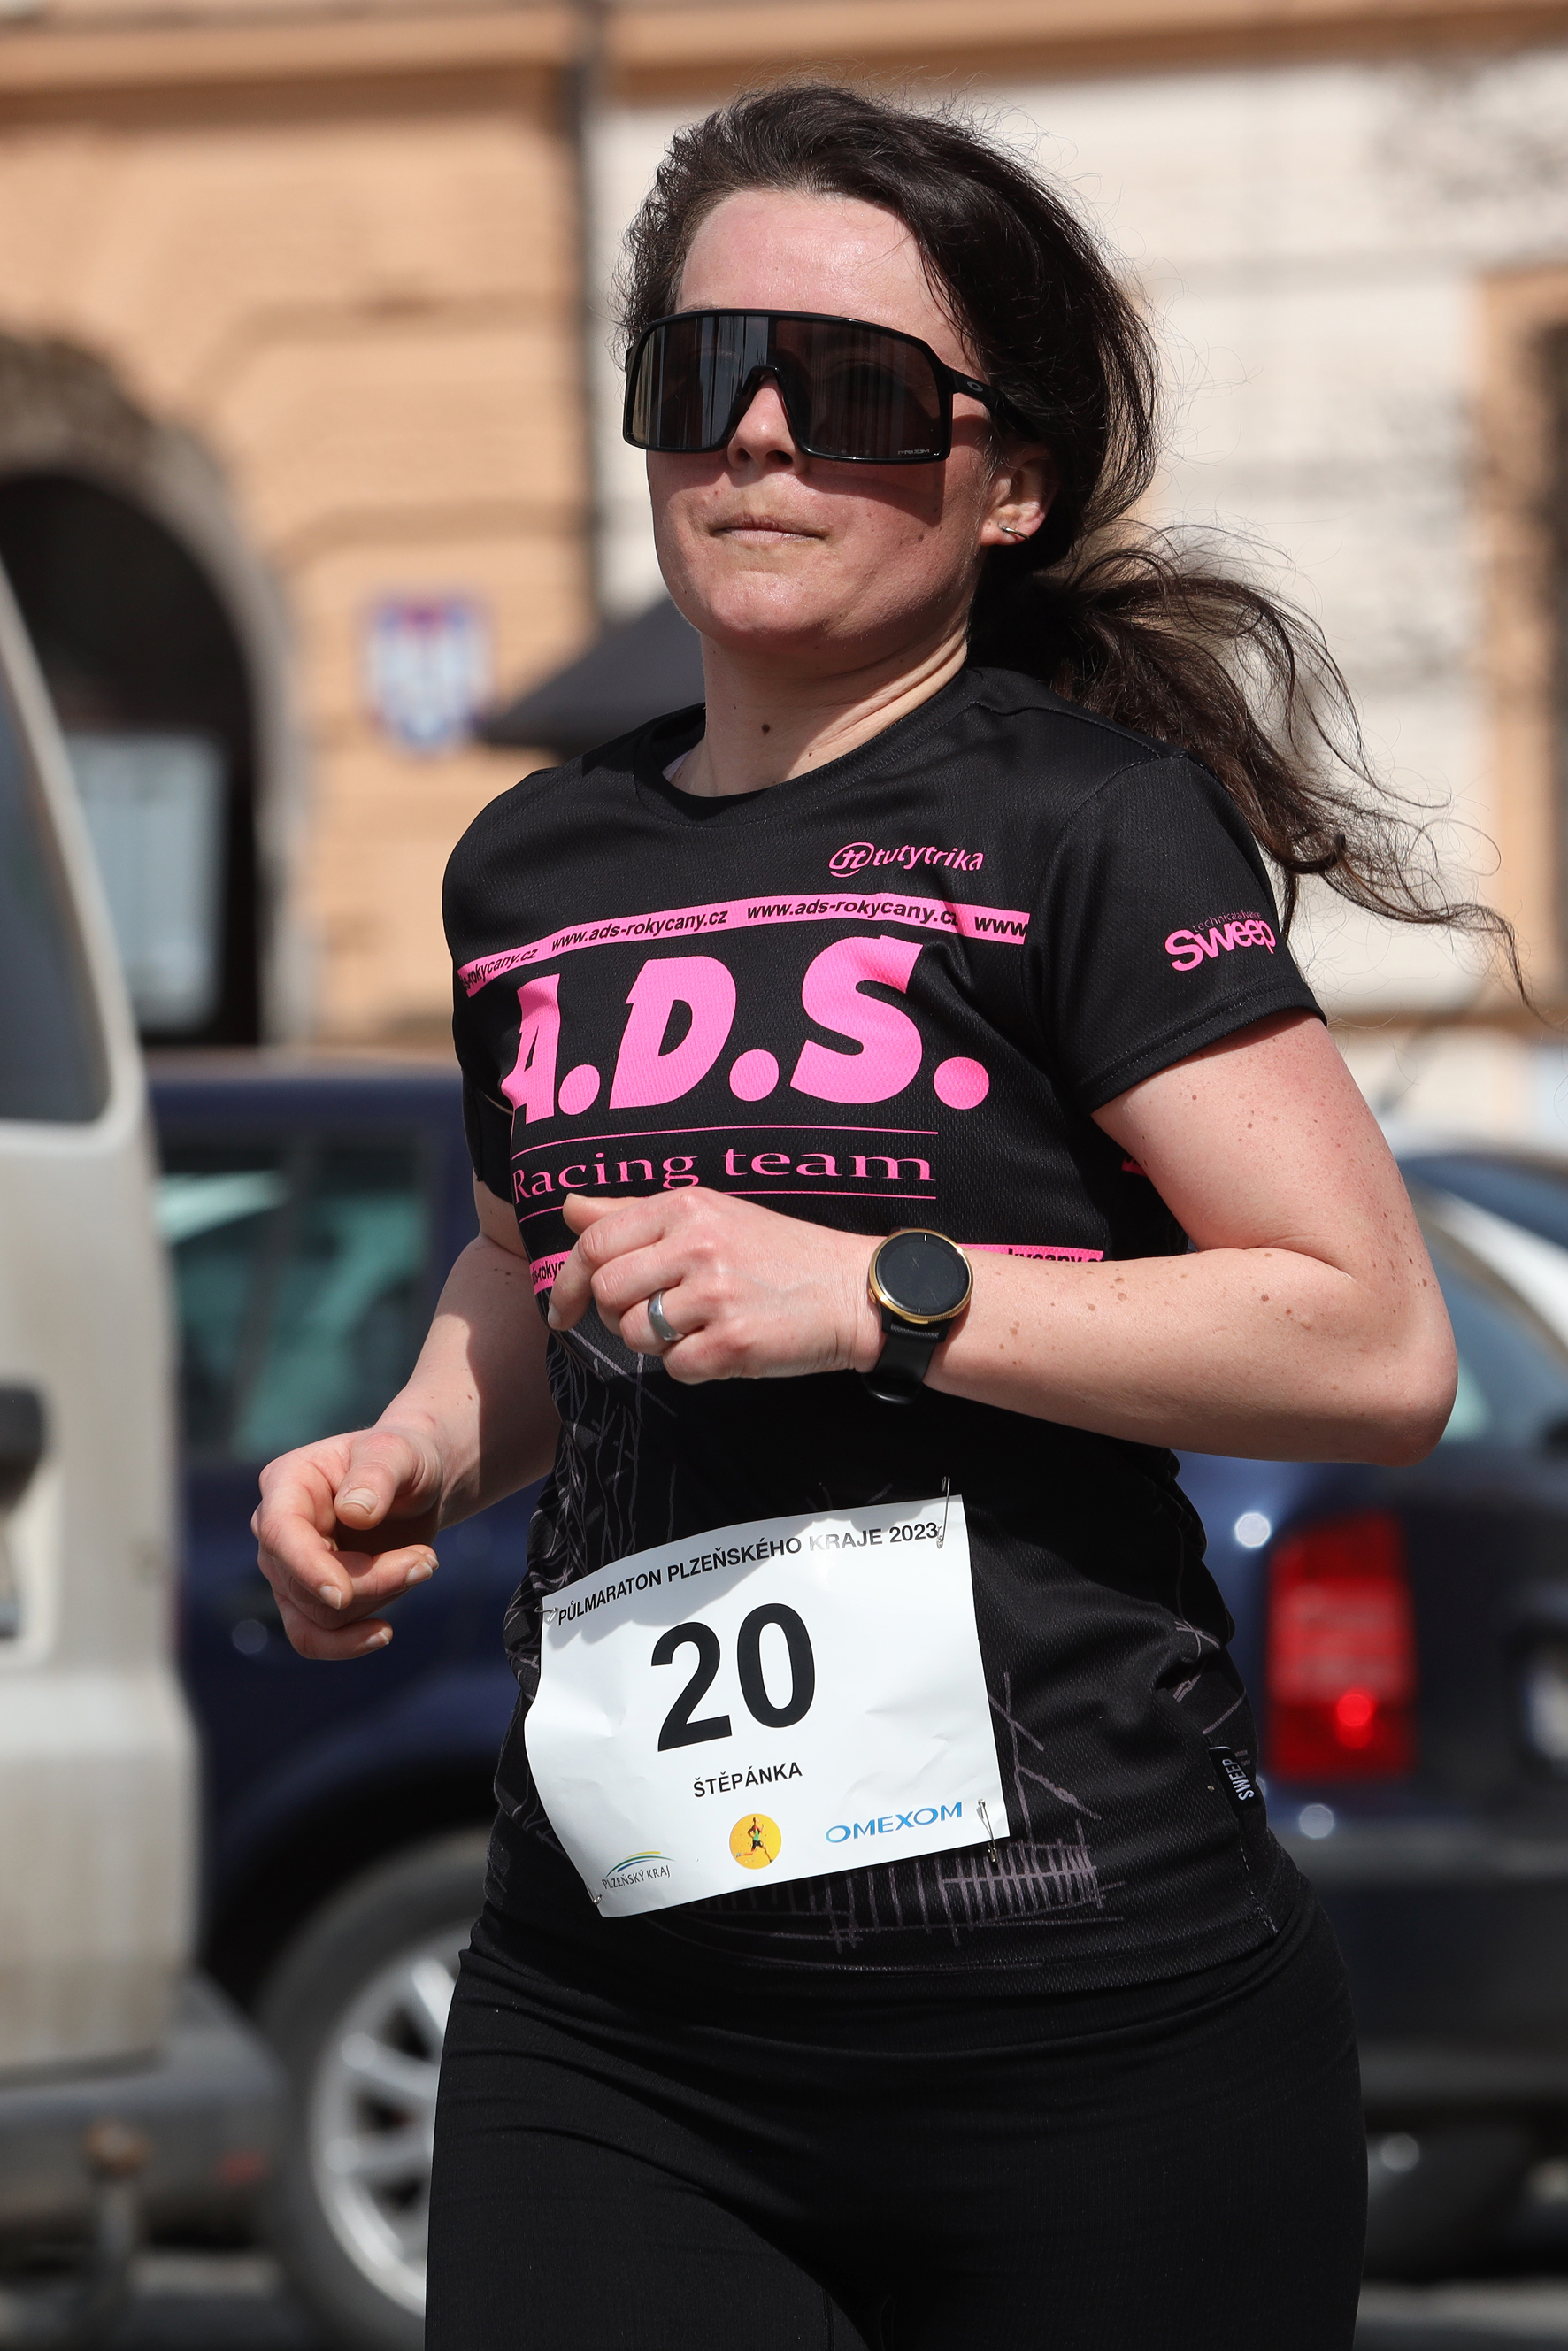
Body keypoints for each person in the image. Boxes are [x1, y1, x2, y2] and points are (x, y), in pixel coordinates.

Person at [253, 84, 1489, 2350]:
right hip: (615, 2012)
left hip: (1084, 2012)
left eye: (850, 395)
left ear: (1007, 480)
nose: (756, 437)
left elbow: (1369, 1341)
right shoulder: (531, 865)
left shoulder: (1087, 827)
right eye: (700, 373)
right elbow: (534, 1261)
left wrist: (879, 1295)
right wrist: (411, 1450)